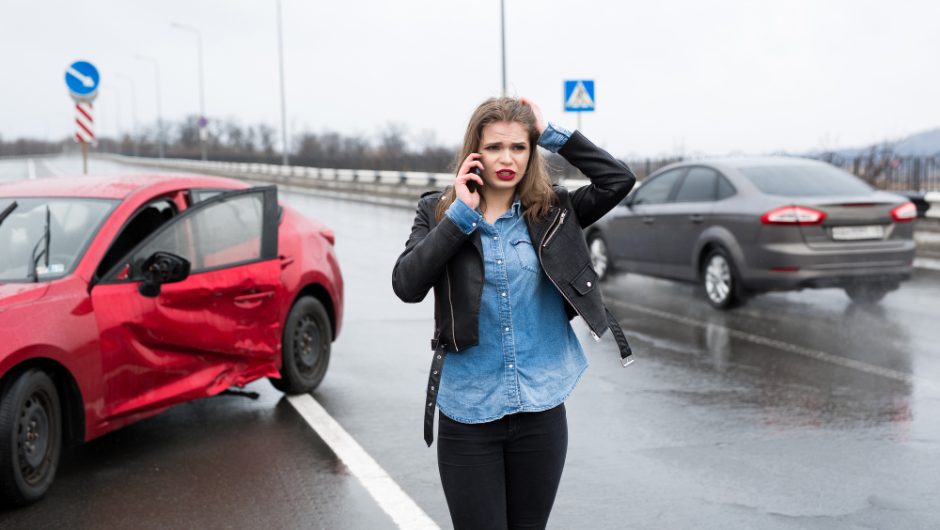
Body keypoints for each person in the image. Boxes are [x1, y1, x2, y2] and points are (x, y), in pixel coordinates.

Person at [392, 96, 636, 529]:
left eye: (519, 147)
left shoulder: (556, 210)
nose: (507, 158)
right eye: (494, 147)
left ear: (532, 151)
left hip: (540, 411)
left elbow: (618, 179)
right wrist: (460, 217)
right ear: (475, 152)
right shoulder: (437, 211)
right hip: (468, 414)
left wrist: (554, 132)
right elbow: (407, 285)